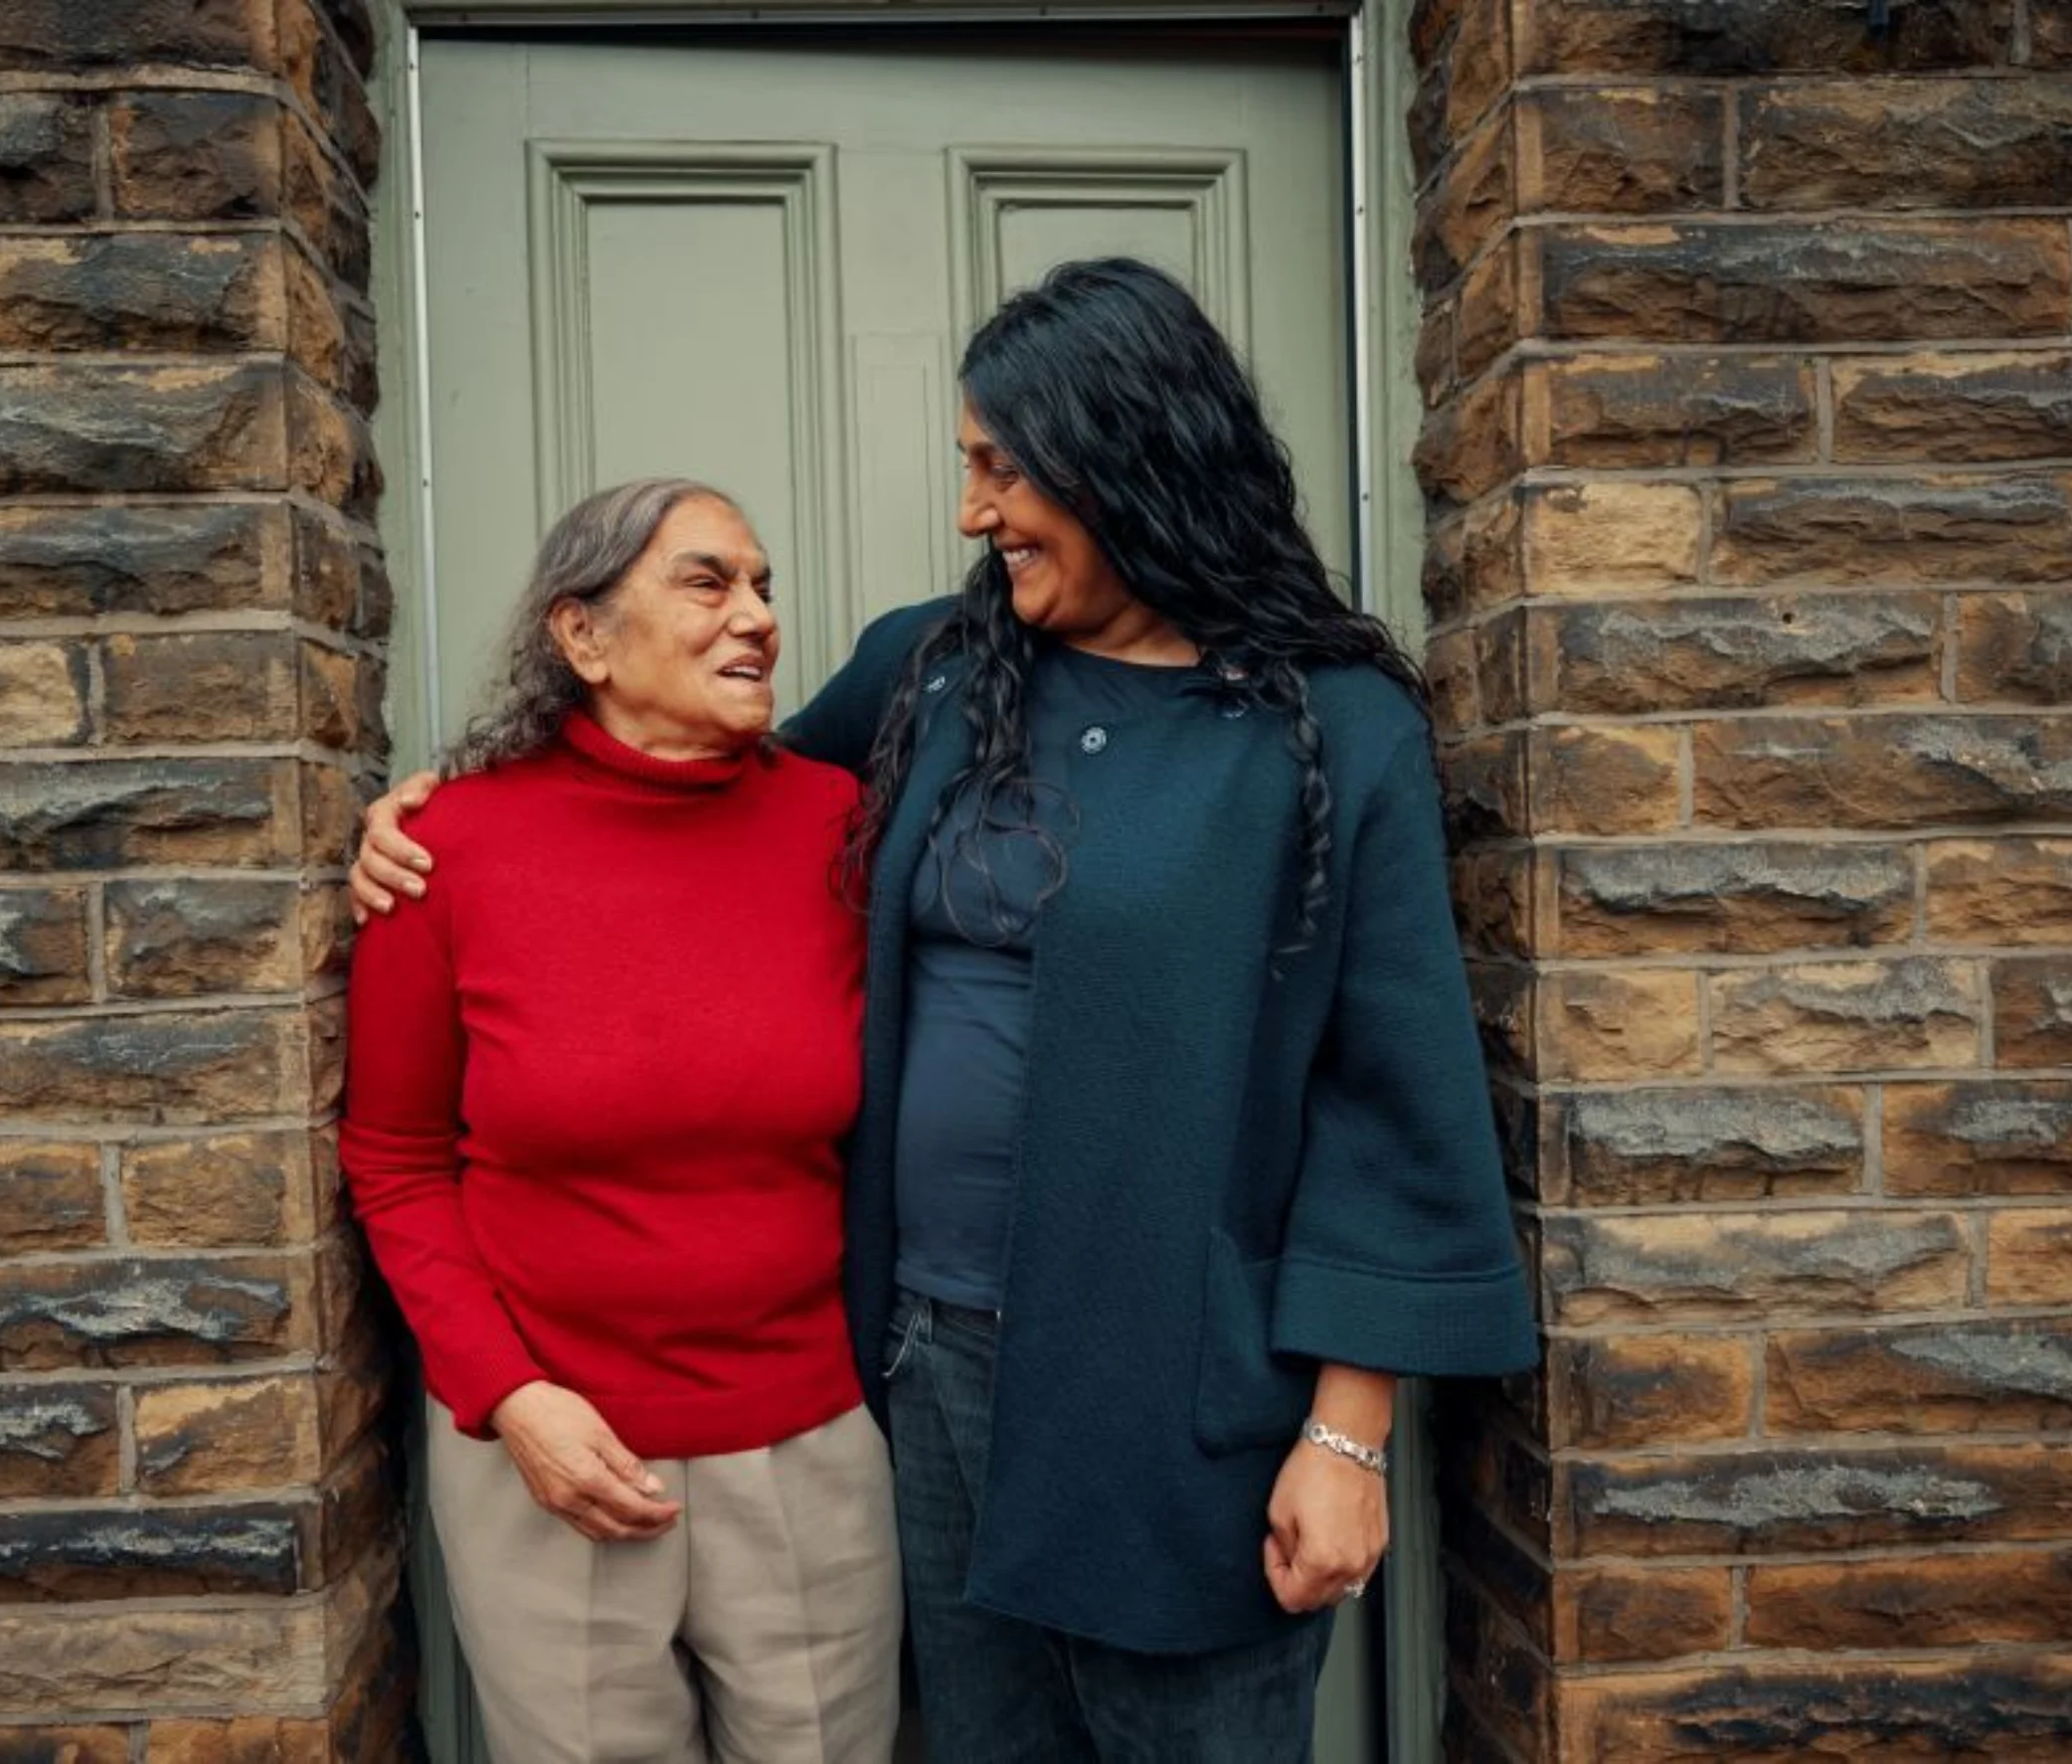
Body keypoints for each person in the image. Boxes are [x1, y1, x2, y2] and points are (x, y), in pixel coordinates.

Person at [354, 261, 1535, 1762]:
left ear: (1124, 452)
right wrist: (440, 811)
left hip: (1181, 1381)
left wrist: (1346, 1432)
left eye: (999, 468)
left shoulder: (1328, 728)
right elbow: (692, 803)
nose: (974, 510)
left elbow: (1390, 1100)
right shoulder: (939, 664)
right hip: (924, 1361)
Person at [339, 478, 900, 1764]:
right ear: (581, 637)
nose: (755, 615)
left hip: (808, 1448)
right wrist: (507, 1395)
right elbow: (395, 1158)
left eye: (763, 586)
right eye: (708, 581)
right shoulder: (447, 849)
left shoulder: (846, 830)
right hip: (550, 1460)